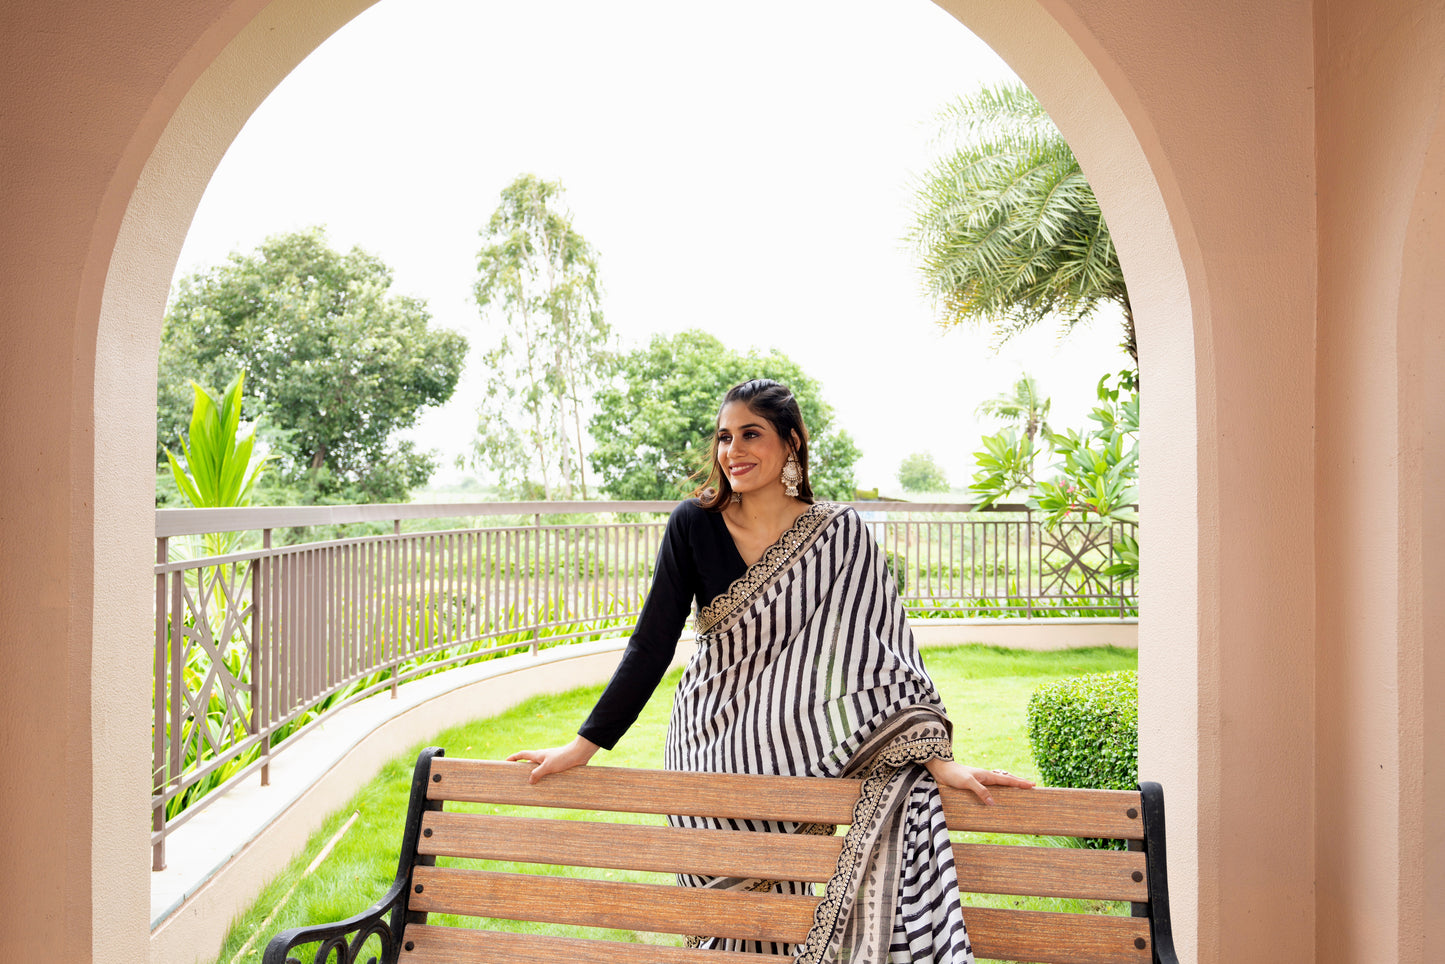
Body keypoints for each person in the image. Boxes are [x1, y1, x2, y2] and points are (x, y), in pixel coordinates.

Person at [509, 378, 1032, 962]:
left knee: (785, 902)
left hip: (795, 749)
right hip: (710, 741)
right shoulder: (692, 524)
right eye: (725, 437)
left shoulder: (839, 535)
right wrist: (581, 747)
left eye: (751, 434)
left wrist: (936, 759)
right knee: (725, 918)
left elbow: (877, 654)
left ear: (791, 443)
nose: (733, 451)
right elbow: (651, 645)